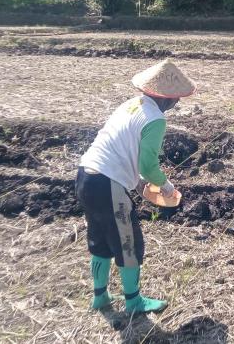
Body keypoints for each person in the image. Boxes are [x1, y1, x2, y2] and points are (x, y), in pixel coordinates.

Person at [76, 59, 196, 314]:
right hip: (108, 185)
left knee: (99, 240)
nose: (176, 104)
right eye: (176, 100)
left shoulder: (131, 105)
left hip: (86, 175)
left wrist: (139, 184)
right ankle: (133, 301)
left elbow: (122, 148)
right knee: (128, 243)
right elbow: (148, 165)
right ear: (169, 98)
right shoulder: (155, 119)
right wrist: (165, 186)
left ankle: (100, 296)